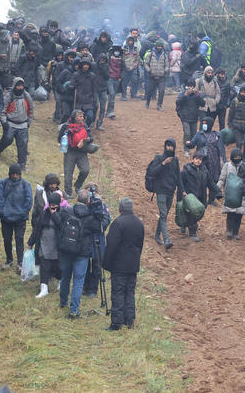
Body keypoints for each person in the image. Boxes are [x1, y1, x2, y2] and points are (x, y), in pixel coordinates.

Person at [103, 197, 143, 331]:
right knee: (130, 292)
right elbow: (140, 245)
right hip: (133, 265)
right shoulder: (139, 223)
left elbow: (112, 246)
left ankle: (116, 323)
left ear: (120, 209)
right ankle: (129, 320)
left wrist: (106, 264)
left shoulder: (118, 223)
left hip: (119, 266)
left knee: (118, 293)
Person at [60, 190, 100, 319]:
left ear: (76, 199)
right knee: (78, 281)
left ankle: (63, 301)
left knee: (65, 277)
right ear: (88, 201)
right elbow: (100, 227)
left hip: (66, 250)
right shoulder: (90, 216)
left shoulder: (67, 212)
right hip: (82, 253)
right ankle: (74, 310)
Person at [147, 138, 184, 250]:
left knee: (164, 215)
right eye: (167, 146)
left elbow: (178, 176)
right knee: (163, 214)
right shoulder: (159, 158)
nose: (169, 148)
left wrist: (182, 190)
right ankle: (166, 239)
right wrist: (163, 163)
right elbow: (152, 172)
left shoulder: (175, 160)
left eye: (171, 146)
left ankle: (157, 235)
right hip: (161, 191)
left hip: (170, 192)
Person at [0, 163, 32, 270]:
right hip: (6, 218)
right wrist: (3, 212)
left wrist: (21, 213)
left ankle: (20, 262)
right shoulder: (4, 183)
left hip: (20, 219)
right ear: (10, 174)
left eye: (17, 174)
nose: (15, 176)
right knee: (6, 239)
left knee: (19, 239)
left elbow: (28, 201)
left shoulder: (25, 184)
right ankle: (9, 259)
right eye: (13, 174)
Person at [28, 192, 65, 298]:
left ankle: (60, 282)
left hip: (57, 246)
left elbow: (62, 226)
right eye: (51, 204)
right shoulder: (44, 213)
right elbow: (37, 229)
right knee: (44, 267)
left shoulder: (63, 213)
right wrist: (31, 242)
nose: (52, 207)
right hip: (44, 245)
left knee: (57, 267)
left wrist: (54, 215)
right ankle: (44, 288)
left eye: (54, 205)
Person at [180, 151, 220, 242]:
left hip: (200, 197)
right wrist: (182, 192)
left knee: (196, 213)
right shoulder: (186, 171)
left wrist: (218, 191)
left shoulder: (204, 171)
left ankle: (185, 225)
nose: (198, 161)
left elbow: (210, 183)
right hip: (189, 197)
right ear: (193, 159)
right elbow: (180, 182)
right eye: (196, 159)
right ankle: (192, 232)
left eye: (200, 159)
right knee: (190, 213)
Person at [0, 77, 34, 170]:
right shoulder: (9, 96)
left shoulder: (27, 96)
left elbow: (31, 109)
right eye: (18, 85)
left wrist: (29, 121)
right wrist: (4, 122)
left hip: (23, 124)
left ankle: (22, 164)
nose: (20, 87)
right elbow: (3, 110)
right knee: (7, 139)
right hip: (10, 123)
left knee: (23, 145)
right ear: (14, 86)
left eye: (21, 85)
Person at [59, 110, 94, 198]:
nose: (81, 118)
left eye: (82, 116)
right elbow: (59, 138)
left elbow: (91, 138)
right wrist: (66, 141)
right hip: (70, 152)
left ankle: (77, 186)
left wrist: (84, 140)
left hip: (82, 152)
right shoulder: (66, 126)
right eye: (79, 116)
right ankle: (68, 192)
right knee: (68, 173)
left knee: (85, 170)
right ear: (74, 117)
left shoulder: (84, 126)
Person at [217, 148, 245, 242]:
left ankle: (236, 232)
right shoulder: (227, 166)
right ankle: (229, 230)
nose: (237, 159)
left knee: (239, 214)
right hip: (230, 194)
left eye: (239, 157)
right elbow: (222, 179)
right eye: (235, 157)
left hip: (241, 194)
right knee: (230, 214)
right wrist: (216, 189)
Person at [175, 79, 205, 158]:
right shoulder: (182, 93)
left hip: (194, 117)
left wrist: (197, 95)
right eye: (190, 86)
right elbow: (178, 102)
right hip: (185, 117)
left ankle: (191, 147)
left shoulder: (198, 94)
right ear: (187, 86)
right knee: (187, 133)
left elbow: (203, 103)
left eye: (193, 86)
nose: (191, 88)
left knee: (193, 135)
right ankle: (186, 150)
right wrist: (185, 95)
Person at [227, 86, 245, 158]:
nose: (243, 94)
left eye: (244, 92)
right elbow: (231, 114)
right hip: (236, 125)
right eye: (241, 92)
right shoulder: (234, 101)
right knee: (238, 143)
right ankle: (238, 157)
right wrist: (230, 124)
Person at [143, 40, 169, 110]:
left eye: (161, 46)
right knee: (150, 91)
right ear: (156, 46)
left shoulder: (165, 55)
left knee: (162, 91)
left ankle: (159, 105)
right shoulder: (150, 54)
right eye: (158, 46)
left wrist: (165, 70)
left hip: (162, 76)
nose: (159, 47)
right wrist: (149, 70)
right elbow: (146, 63)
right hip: (152, 76)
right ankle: (147, 103)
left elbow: (167, 64)